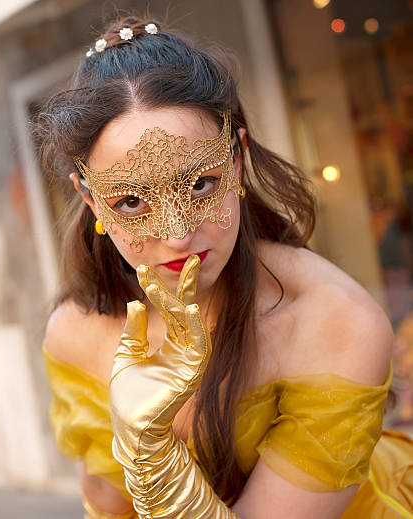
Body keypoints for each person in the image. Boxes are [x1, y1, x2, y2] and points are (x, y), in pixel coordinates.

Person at [36, 15, 413, 518]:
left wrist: (151, 458)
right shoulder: (76, 334)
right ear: (89, 198)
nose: (176, 234)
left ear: (235, 160)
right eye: (130, 201)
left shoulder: (335, 322)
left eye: (198, 185)